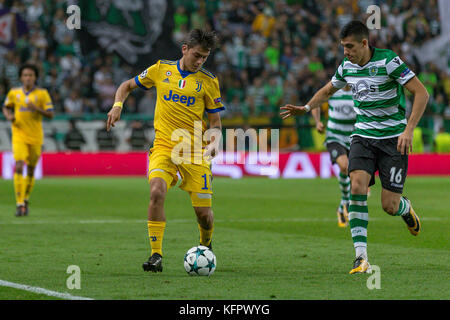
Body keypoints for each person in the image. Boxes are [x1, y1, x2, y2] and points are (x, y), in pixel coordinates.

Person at [280, 21, 429, 274]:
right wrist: (306, 108)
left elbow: (421, 93)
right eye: (343, 47)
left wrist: (409, 130)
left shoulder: (389, 61)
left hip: (393, 139)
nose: (346, 52)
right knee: (356, 185)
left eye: (350, 47)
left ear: (364, 43)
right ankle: (361, 257)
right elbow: (327, 91)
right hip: (362, 137)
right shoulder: (346, 67)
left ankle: (405, 208)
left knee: (389, 206)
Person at [106, 29, 224, 273]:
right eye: (196, 55)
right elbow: (126, 86)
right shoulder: (161, 69)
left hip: (195, 152)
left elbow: (215, 125)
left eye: (205, 57)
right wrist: (117, 105)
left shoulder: (209, 81)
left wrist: (213, 143)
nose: (200, 61)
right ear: (184, 49)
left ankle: (205, 244)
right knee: (157, 192)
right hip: (164, 146)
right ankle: (155, 254)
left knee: (204, 214)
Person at [2, 64, 54, 217]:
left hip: (36, 136)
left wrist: (36, 108)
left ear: (35, 77)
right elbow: (6, 107)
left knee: (31, 169)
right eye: (25, 75)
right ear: (21, 77)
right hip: (18, 135)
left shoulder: (42, 94)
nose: (28, 78)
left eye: (31, 75)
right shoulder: (14, 93)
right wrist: (9, 116)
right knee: (18, 165)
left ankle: (25, 199)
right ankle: (19, 203)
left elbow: (51, 114)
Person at [312, 85, 355, 227]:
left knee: (355, 174)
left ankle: (342, 204)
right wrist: (318, 122)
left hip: (355, 138)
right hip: (334, 137)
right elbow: (315, 102)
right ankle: (347, 202)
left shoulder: (359, 90)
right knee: (344, 166)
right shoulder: (334, 90)